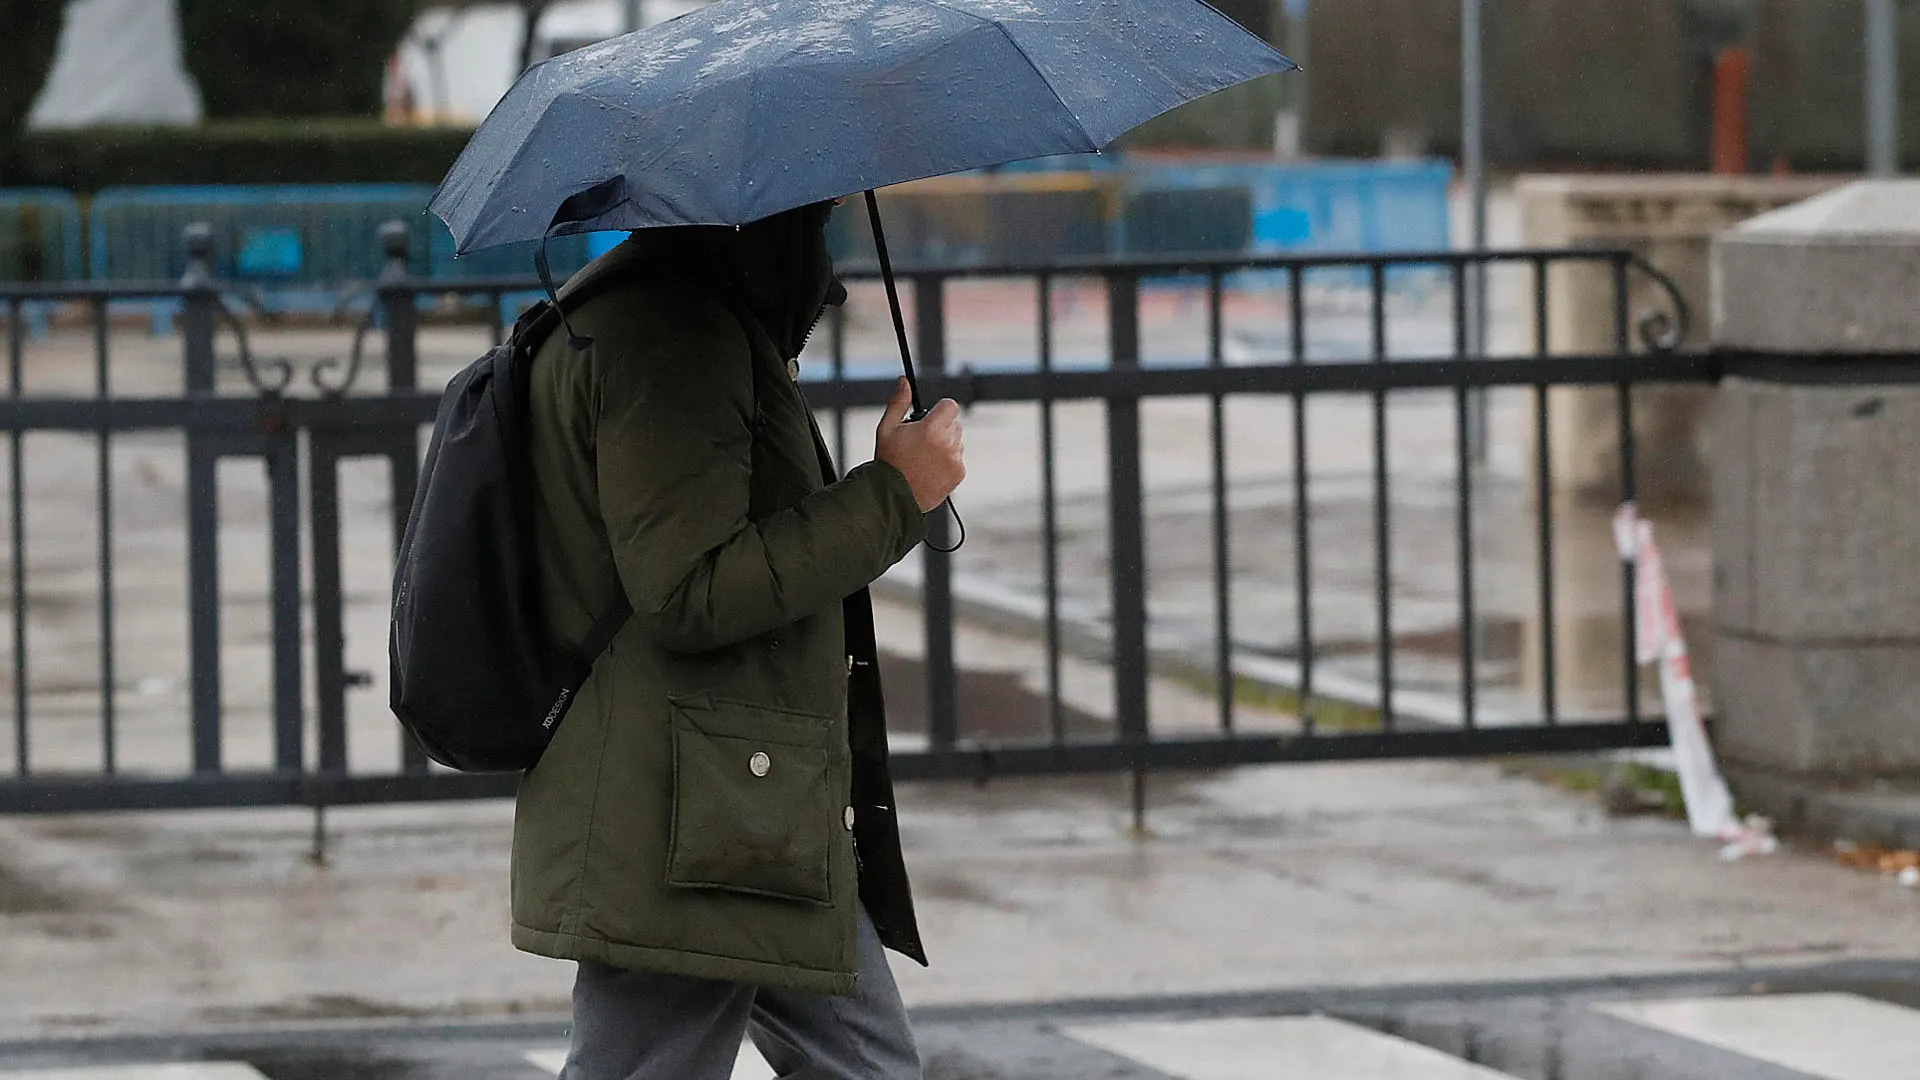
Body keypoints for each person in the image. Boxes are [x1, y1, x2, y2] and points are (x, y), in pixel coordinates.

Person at [517, 198, 964, 1080]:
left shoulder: (668, 313)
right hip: (691, 820)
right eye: (816, 226)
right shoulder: (671, 337)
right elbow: (687, 590)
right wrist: (892, 494)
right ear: (758, 221)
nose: (830, 277)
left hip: (743, 805)